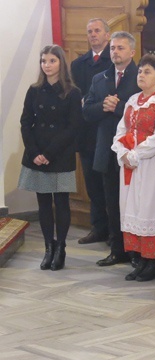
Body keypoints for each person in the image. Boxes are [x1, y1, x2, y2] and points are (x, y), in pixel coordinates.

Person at [19, 45, 81, 271]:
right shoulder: (34, 90)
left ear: (61, 63)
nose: (47, 65)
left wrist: (49, 153)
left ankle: (61, 248)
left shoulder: (72, 92)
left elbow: (73, 126)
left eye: (52, 61)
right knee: (43, 203)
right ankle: (48, 247)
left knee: (61, 202)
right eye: (43, 61)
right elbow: (26, 122)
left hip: (60, 154)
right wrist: (35, 153)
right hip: (37, 153)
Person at [111, 54, 155, 282]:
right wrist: (122, 152)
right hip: (130, 164)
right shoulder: (132, 99)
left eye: (147, 72)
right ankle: (140, 260)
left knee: (150, 208)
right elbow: (120, 130)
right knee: (132, 208)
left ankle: (153, 261)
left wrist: (136, 153)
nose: (141, 75)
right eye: (140, 71)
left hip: (152, 164)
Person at [83, 31, 140, 267]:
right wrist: (104, 107)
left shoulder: (142, 75)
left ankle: (138, 251)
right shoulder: (100, 78)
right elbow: (86, 112)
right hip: (107, 150)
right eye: (113, 48)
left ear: (132, 52)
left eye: (120, 48)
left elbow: (146, 112)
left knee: (135, 203)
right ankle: (117, 249)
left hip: (134, 152)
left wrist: (118, 108)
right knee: (112, 202)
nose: (115, 52)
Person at [70, 18, 112, 246]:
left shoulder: (112, 61)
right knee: (92, 184)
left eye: (97, 31)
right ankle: (98, 227)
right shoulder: (78, 65)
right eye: (89, 31)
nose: (93, 34)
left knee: (109, 184)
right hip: (86, 132)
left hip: (107, 128)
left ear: (107, 34)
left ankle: (115, 230)